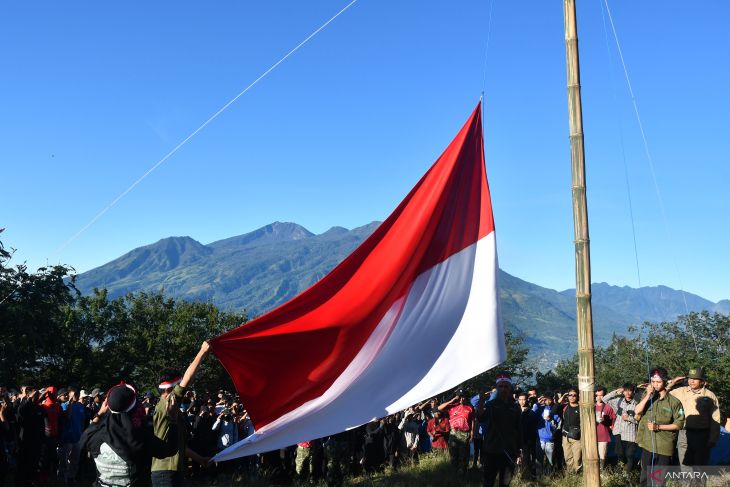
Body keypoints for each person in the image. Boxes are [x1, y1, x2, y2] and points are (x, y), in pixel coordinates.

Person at [81, 382, 180, 487]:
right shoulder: (141, 437)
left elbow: (89, 430)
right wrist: (173, 420)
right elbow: (170, 449)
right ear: (134, 407)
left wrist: (99, 413)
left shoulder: (93, 434)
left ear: (107, 405)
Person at [151, 341, 211, 487]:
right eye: (178, 384)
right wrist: (202, 351)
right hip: (165, 473)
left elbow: (179, 446)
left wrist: (200, 459)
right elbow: (187, 379)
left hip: (172, 472)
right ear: (170, 388)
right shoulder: (166, 404)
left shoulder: (172, 409)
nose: (182, 387)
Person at [635, 366, 685, 487]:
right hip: (647, 445)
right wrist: (647, 395)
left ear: (665, 381)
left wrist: (659, 427)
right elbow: (637, 411)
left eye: (658, 382)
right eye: (653, 381)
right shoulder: (648, 397)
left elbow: (679, 424)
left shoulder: (674, 402)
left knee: (658, 481)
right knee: (644, 479)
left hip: (664, 447)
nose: (655, 384)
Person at [669, 367, 721, 469]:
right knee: (685, 465)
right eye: (689, 378)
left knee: (700, 465)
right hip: (684, 433)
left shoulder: (710, 395)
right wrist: (672, 383)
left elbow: (715, 419)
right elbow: (664, 394)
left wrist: (713, 439)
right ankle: (687, 484)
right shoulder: (680, 391)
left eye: (695, 379)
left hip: (702, 435)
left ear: (702, 381)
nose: (691, 381)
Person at [478, 375, 520, 487]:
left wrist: (518, 450)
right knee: (488, 482)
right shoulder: (490, 405)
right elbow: (480, 417)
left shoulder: (515, 407)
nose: (503, 389)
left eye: (506, 386)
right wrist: (481, 401)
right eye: (500, 386)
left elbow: (519, 429)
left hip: (509, 450)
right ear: (497, 388)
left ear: (510, 388)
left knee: (505, 483)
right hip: (491, 450)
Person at [438, 388, 474, 475]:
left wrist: (472, 434)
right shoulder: (452, 406)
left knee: (464, 456)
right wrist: (452, 400)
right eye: (460, 397)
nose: (462, 399)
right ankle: (454, 473)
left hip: (465, 434)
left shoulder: (470, 408)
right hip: (453, 433)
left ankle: (463, 474)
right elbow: (439, 408)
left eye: (464, 397)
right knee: (453, 455)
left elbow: (473, 421)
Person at [604, 383, 639, 472]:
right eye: (626, 390)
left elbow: (640, 419)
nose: (628, 393)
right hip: (619, 432)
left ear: (633, 391)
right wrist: (616, 391)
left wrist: (629, 418)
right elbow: (605, 399)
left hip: (631, 434)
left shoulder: (637, 403)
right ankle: (620, 474)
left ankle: (629, 474)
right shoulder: (618, 401)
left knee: (630, 455)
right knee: (619, 454)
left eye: (630, 390)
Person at [532, 393, 560, 475]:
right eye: (544, 399)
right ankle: (538, 476)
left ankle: (549, 476)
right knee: (538, 459)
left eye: (547, 399)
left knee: (549, 460)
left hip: (549, 439)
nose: (545, 401)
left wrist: (551, 421)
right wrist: (536, 404)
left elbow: (557, 424)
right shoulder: (539, 409)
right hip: (540, 438)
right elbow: (531, 416)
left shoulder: (554, 410)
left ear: (551, 400)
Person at [559, 388, 582, 473]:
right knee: (567, 458)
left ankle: (577, 476)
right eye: (570, 395)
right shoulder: (564, 406)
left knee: (577, 459)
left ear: (577, 396)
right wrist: (564, 395)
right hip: (565, 436)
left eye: (574, 395)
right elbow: (556, 406)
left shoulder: (581, 408)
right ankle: (571, 475)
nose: (572, 397)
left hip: (577, 437)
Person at [516, 391, 538, 478]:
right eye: (520, 399)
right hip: (516, 438)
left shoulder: (531, 412)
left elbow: (532, 426)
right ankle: (518, 474)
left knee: (526, 458)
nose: (522, 401)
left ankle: (527, 476)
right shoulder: (515, 411)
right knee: (517, 458)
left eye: (524, 399)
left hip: (527, 439)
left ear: (527, 400)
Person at [593, 386, 616, 469]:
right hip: (592, 435)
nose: (599, 397)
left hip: (604, 435)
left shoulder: (608, 407)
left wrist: (605, 421)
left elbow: (613, 422)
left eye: (601, 395)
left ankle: (602, 473)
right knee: (592, 456)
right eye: (597, 395)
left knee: (602, 456)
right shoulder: (591, 407)